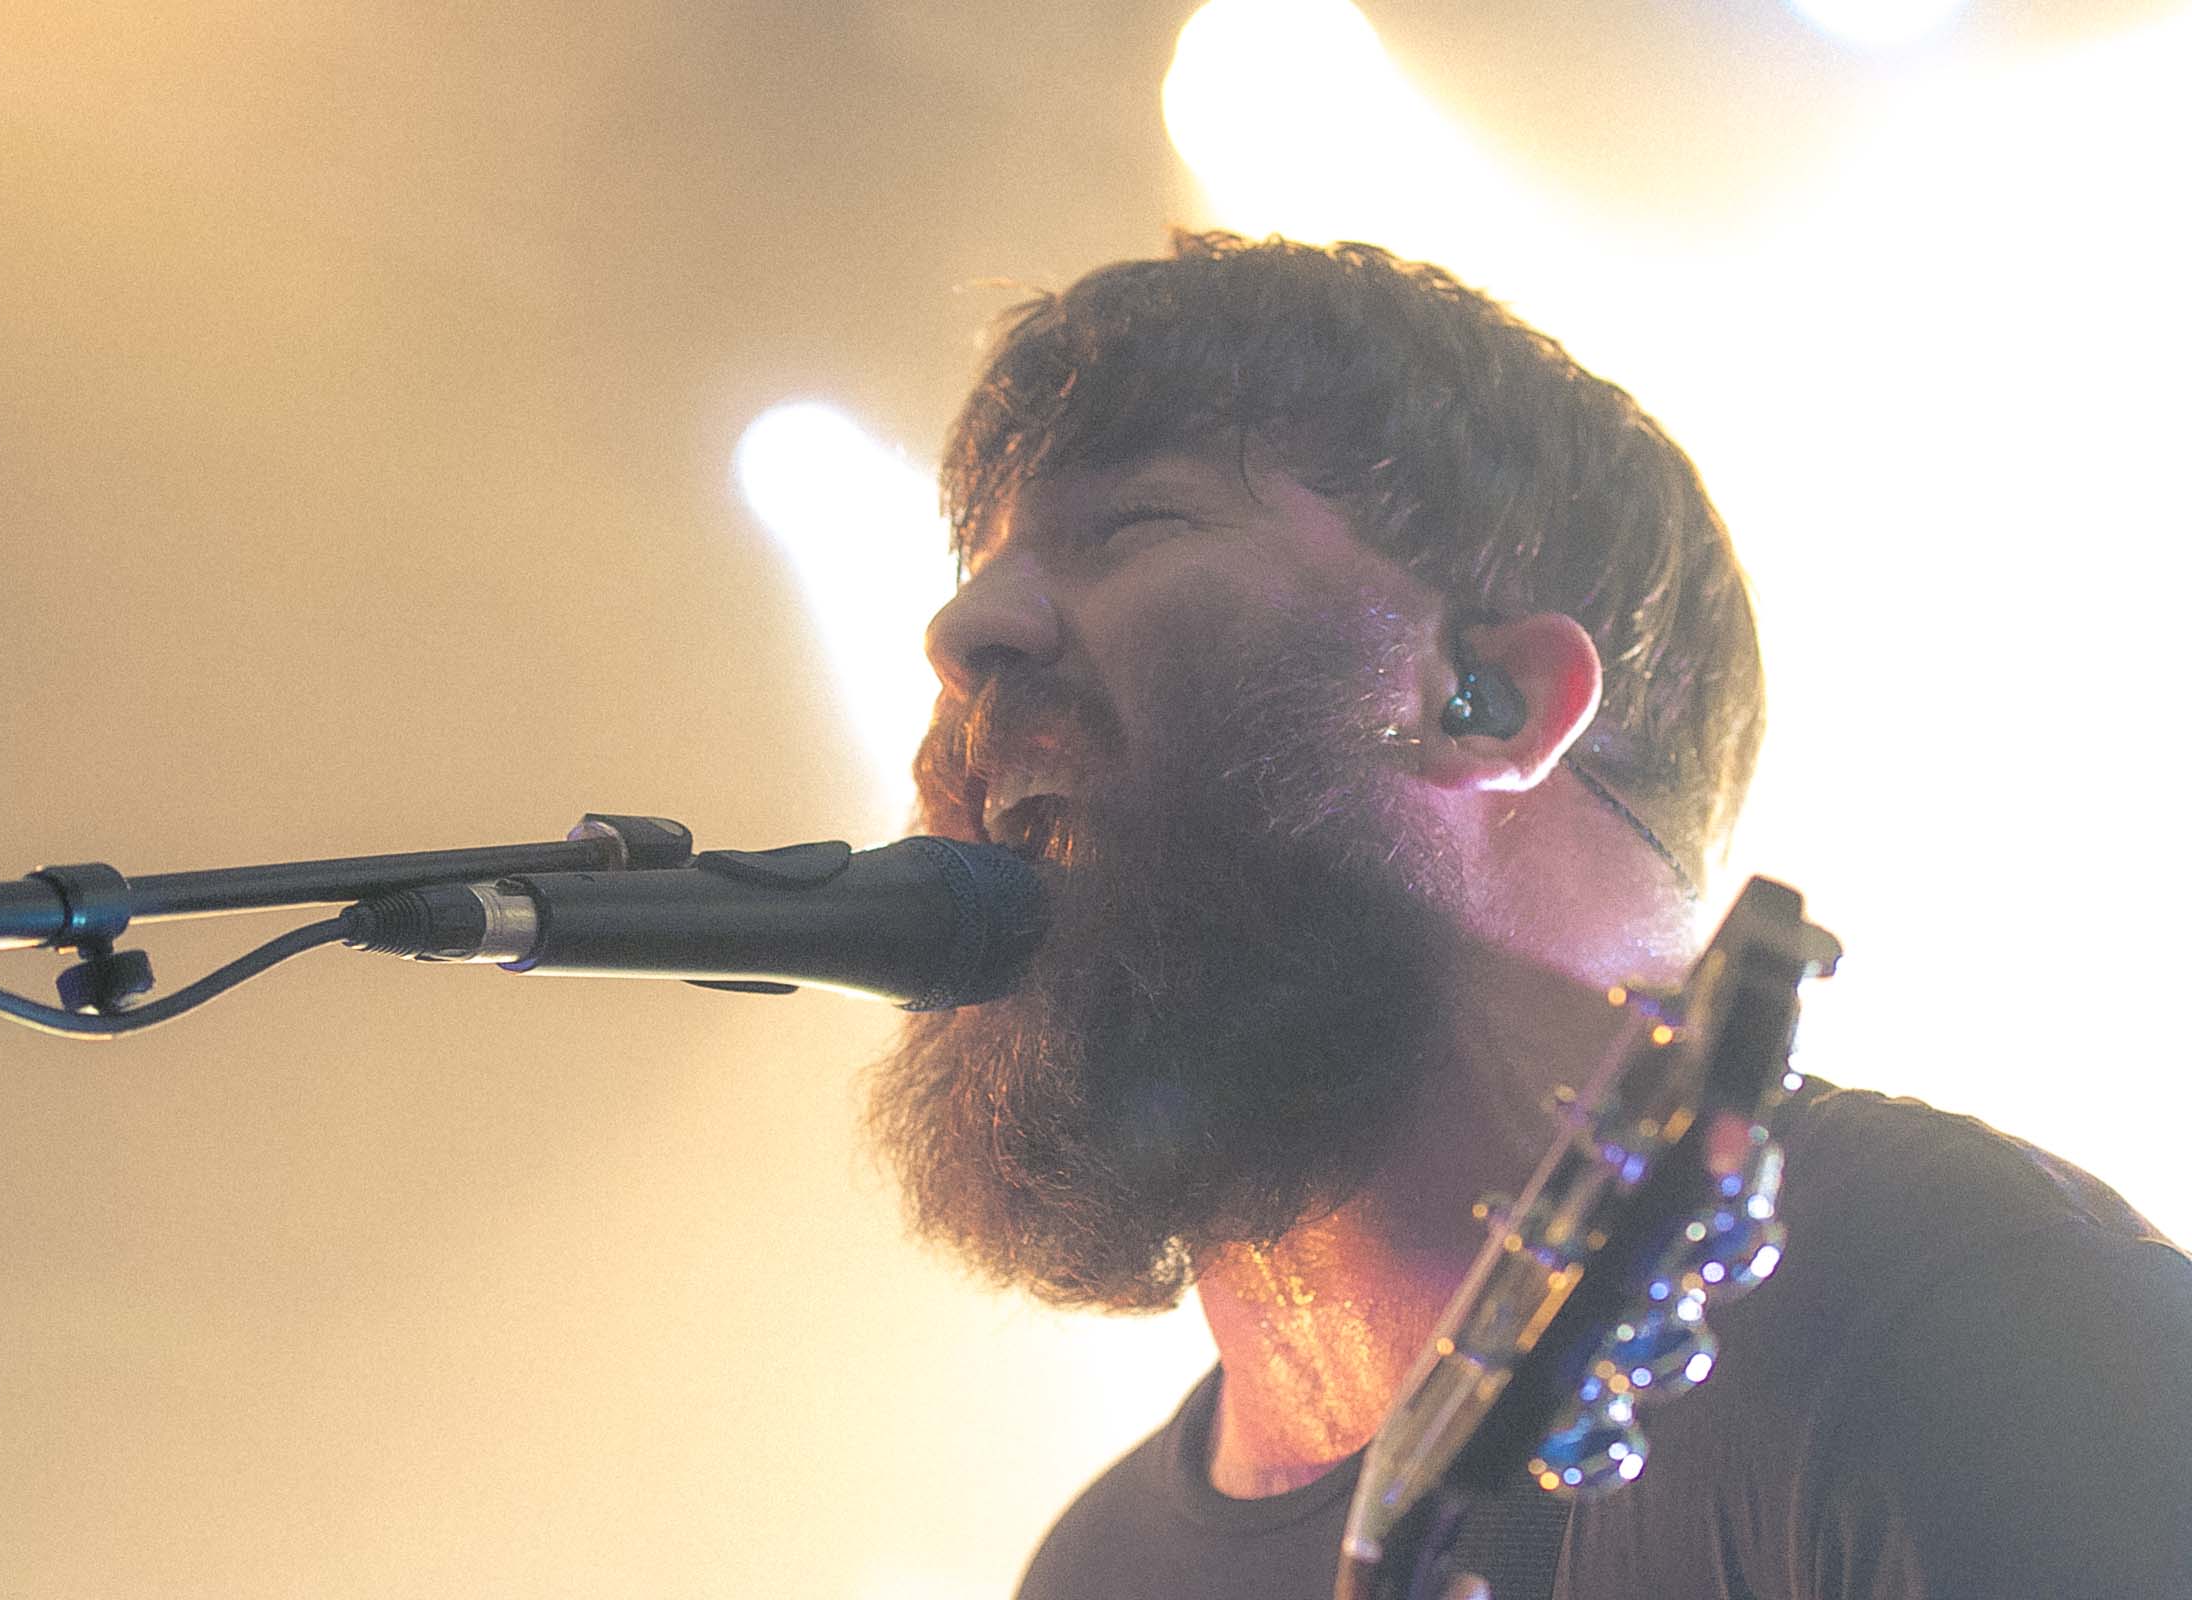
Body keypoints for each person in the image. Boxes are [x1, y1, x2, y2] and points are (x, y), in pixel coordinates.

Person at [866, 231, 2192, 1598]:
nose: (962, 630)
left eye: (1132, 522)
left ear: (1484, 695)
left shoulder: (1957, 1319)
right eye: (982, 557)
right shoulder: (1096, 1573)